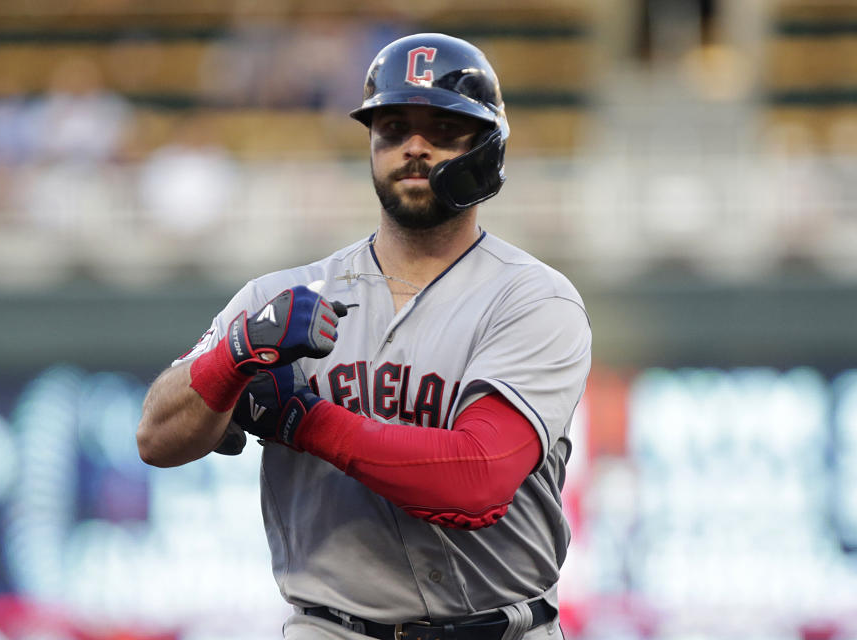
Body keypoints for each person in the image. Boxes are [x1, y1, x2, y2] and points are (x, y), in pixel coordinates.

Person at [137, 33, 591, 640]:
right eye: (393, 126)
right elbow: (156, 437)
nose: (414, 146)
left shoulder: (534, 299)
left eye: (443, 127)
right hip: (331, 627)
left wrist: (304, 421)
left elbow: (476, 481)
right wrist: (234, 355)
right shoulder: (283, 297)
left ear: (488, 147)